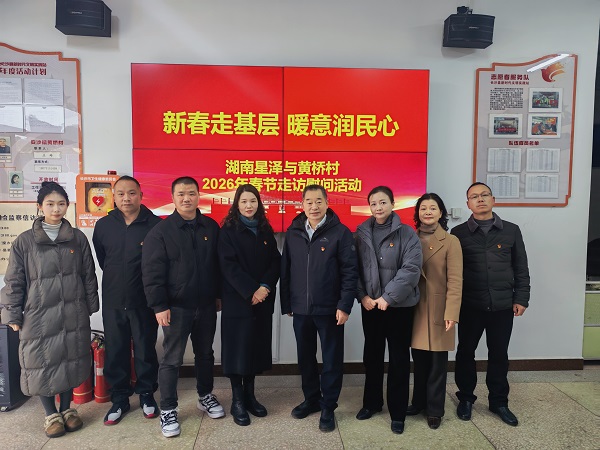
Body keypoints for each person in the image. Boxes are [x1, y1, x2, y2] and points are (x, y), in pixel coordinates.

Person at [1, 181, 99, 438]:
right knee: (42, 361)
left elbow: (88, 275)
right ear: (39, 206)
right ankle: (50, 414)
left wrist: (91, 305)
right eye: (50, 204)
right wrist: (12, 314)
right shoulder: (25, 242)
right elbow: (13, 281)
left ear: (67, 206)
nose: (56, 209)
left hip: (72, 311)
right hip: (38, 314)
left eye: (61, 204)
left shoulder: (77, 238)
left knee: (69, 358)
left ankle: (67, 409)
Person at [142, 176, 224, 438]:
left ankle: (205, 395)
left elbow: (218, 266)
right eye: (181, 194)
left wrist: (218, 295)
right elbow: (152, 272)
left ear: (199, 195)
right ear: (173, 198)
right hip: (175, 308)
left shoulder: (210, 227)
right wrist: (159, 305)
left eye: (191, 193)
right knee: (171, 359)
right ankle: (168, 409)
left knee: (205, 354)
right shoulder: (161, 232)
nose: (186, 198)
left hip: (206, 305)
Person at [451, 182, 530, 426]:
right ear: (468, 204)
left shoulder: (511, 230)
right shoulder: (458, 233)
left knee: (499, 354)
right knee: (465, 352)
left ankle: (499, 402)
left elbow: (521, 266)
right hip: (470, 304)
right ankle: (466, 398)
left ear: (493, 200)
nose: (480, 199)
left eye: (484, 195)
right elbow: (453, 271)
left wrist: (521, 298)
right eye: (474, 196)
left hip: (502, 304)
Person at [280, 184, 358, 433]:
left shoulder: (340, 233)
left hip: (330, 309)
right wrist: (287, 303)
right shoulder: (293, 232)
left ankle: (328, 406)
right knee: (305, 358)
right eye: (309, 202)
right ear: (302, 204)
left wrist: (344, 305)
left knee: (332, 359)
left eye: (318, 201)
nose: (314, 207)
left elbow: (350, 272)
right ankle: (311, 399)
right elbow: (286, 269)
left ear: (327, 203)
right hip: (301, 309)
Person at [92, 176, 162, 426]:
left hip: (144, 299)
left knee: (145, 349)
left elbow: (160, 264)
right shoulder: (103, 225)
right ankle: (120, 398)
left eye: (132, 193)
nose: (126, 198)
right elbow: (103, 259)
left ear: (141, 195)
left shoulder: (155, 225)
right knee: (116, 350)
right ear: (114, 196)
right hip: (113, 298)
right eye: (121, 194)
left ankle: (146, 394)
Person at [354, 186, 422, 435]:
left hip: (399, 307)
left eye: (383, 202)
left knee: (399, 359)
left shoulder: (407, 233)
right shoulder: (361, 233)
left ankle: (398, 412)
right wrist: (362, 295)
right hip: (370, 306)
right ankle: (372, 403)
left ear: (393, 204)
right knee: (372, 356)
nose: (378, 207)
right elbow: (353, 269)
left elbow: (411, 269)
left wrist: (388, 297)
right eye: (373, 203)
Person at [218, 184, 281, 426]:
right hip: (238, 301)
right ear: (236, 204)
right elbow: (228, 266)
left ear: (258, 203)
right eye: (244, 201)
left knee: (255, 349)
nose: (248, 206)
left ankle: (250, 396)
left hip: (261, 301)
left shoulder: (264, 229)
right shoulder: (228, 231)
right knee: (237, 350)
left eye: (253, 201)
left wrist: (264, 287)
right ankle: (237, 401)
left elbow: (275, 261)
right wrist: (251, 290)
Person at [408, 193, 462, 430]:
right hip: (413, 307)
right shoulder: (408, 238)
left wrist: (452, 312)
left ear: (441, 213)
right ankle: (418, 402)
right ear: (417, 213)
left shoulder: (451, 241)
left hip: (439, 309)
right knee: (419, 361)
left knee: (437, 364)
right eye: (423, 208)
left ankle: (435, 409)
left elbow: (456, 280)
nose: (427, 212)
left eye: (433, 208)